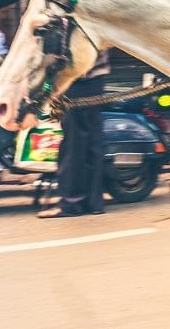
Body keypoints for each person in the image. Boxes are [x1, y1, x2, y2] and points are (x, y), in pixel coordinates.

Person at [37, 51, 110, 218]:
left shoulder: (75, 23)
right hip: (95, 78)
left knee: (73, 143)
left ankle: (71, 202)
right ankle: (93, 202)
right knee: (92, 140)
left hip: (77, 78)